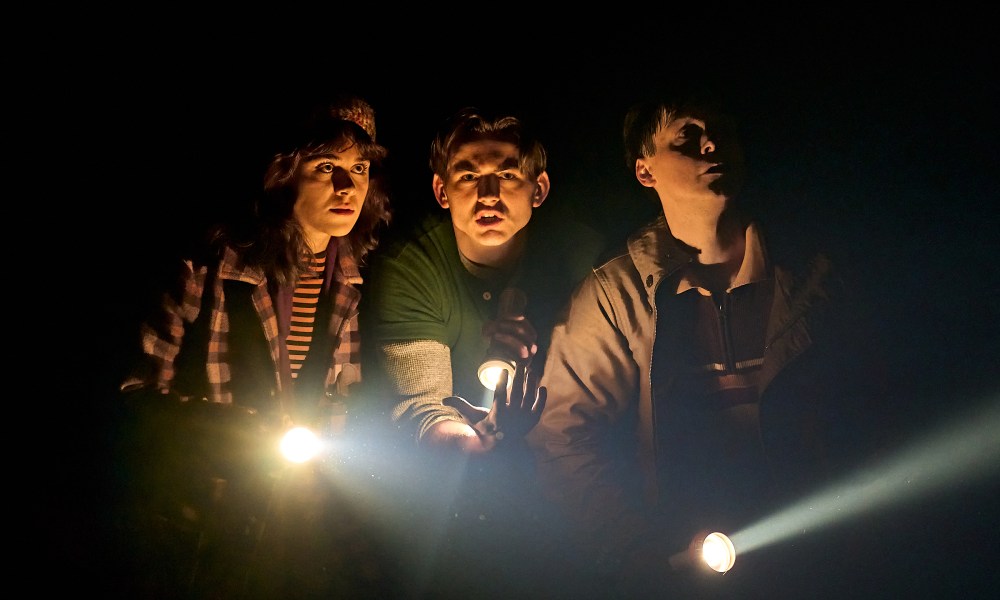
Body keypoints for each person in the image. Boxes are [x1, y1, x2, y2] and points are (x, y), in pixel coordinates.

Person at [526, 82, 890, 597]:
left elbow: (876, 403)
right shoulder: (617, 293)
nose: (711, 145)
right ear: (644, 169)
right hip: (681, 568)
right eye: (687, 136)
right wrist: (637, 550)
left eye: (721, 132)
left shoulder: (811, 278)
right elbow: (562, 435)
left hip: (818, 564)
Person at [109, 93, 402, 598]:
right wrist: (230, 433)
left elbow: (342, 396)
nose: (347, 186)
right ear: (283, 174)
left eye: (359, 168)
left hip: (289, 521)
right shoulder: (208, 267)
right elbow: (134, 393)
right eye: (325, 166)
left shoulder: (350, 281)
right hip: (198, 516)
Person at [360, 106, 605, 597]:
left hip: (573, 482)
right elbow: (420, 405)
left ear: (539, 189)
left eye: (507, 174)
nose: (487, 195)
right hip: (446, 499)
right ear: (441, 191)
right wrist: (479, 440)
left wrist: (553, 341)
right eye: (468, 175)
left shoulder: (584, 259)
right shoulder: (412, 266)